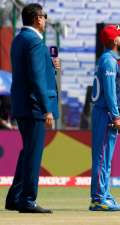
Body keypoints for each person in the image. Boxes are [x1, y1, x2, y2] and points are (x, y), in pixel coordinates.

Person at [5, 3, 59, 213]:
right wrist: (46, 109)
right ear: (37, 18)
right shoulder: (35, 41)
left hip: (21, 104)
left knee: (27, 151)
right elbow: (36, 78)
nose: (45, 20)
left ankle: (14, 197)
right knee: (33, 153)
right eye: (44, 16)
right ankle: (28, 199)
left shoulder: (19, 39)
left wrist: (50, 67)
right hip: (34, 106)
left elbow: (33, 71)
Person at [89, 24, 120, 211]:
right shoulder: (109, 61)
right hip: (105, 114)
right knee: (102, 157)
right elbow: (110, 92)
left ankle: (104, 194)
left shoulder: (111, 60)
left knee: (106, 158)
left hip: (107, 114)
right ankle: (98, 199)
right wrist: (116, 117)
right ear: (114, 41)